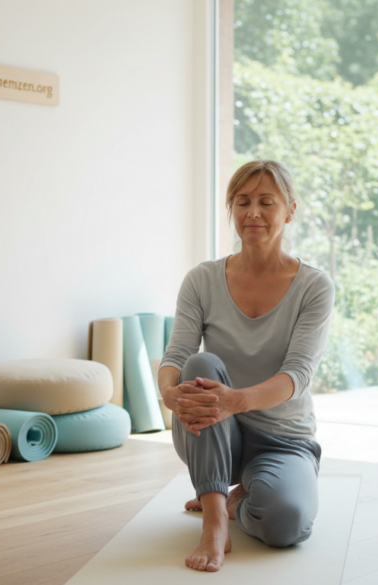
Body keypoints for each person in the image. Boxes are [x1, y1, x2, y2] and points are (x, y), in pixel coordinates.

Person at [158, 159, 335, 572]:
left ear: (289, 211)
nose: (252, 212)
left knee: (286, 524)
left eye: (266, 202)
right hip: (213, 432)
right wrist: (168, 394)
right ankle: (214, 521)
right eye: (242, 202)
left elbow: (298, 375)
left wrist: (235, 401)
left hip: (283, 438)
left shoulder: (314, 286)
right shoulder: (202, 280)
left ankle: (233, 502)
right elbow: (176, 356)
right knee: (200, 363)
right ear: (232, 209)